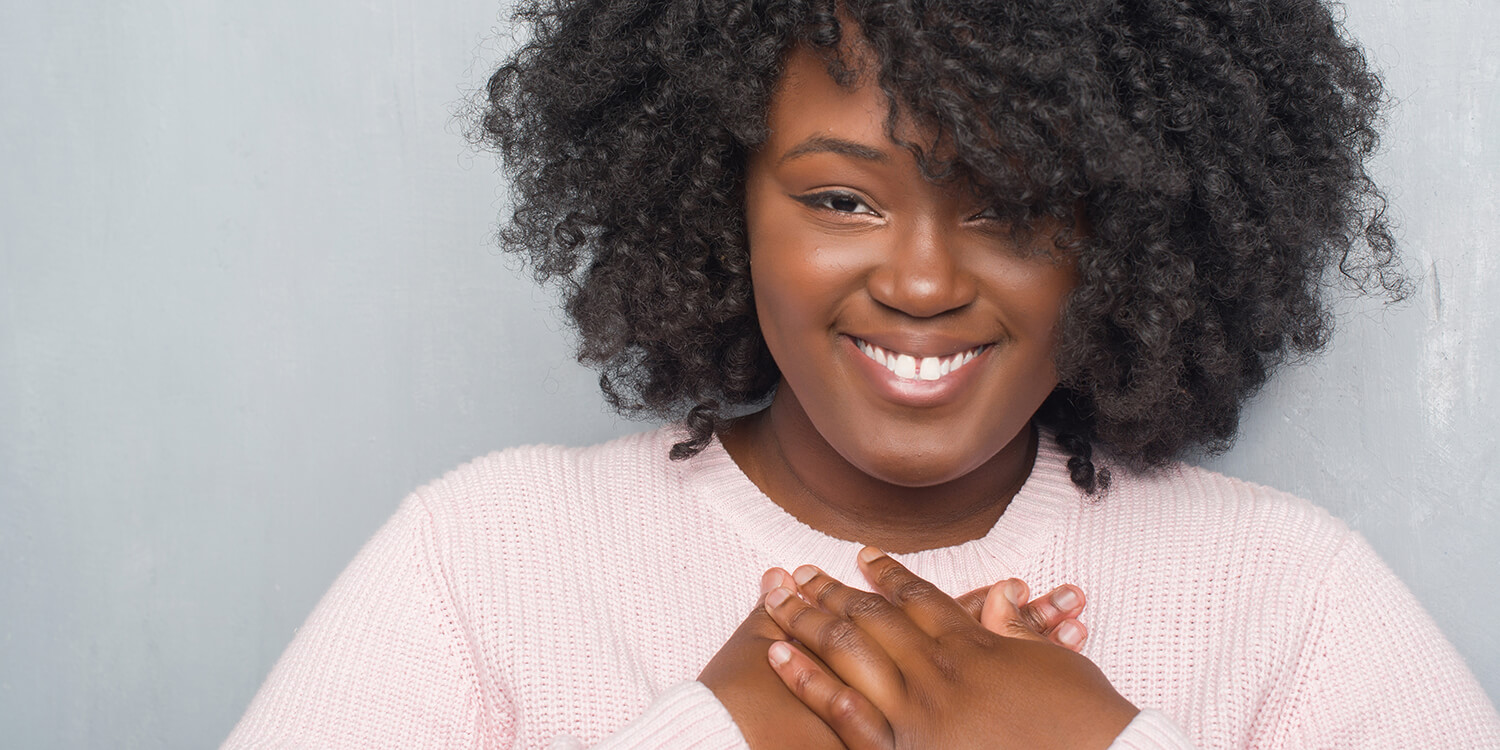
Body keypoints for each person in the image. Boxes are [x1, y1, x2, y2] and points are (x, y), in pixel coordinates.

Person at [224, 0, 1500, 747]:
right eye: (841, 197)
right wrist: (718, 735)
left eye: (1009, 206)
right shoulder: (484, 559)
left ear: (1126, 226)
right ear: (715, 202)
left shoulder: (1291, 597)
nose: (925, 281)